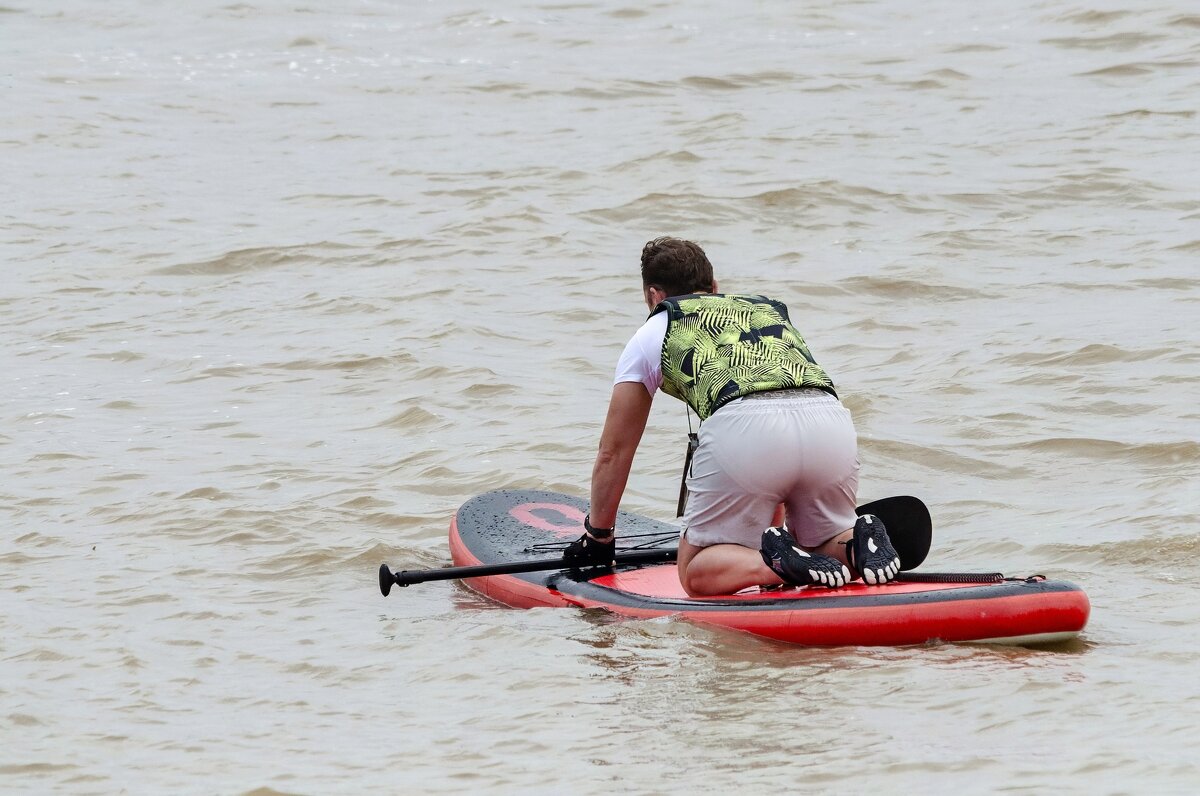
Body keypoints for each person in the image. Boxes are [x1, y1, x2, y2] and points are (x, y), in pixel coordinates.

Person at [563, 237, 900, 597]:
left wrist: (599, 537)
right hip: (830, 422)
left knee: (694, 571)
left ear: (654, 297)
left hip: (746, 429)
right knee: (820, 545)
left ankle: (773, 563)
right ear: (715, 287)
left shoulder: (654, 330)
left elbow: (614, 451)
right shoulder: (766, 310)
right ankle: (853, 542)